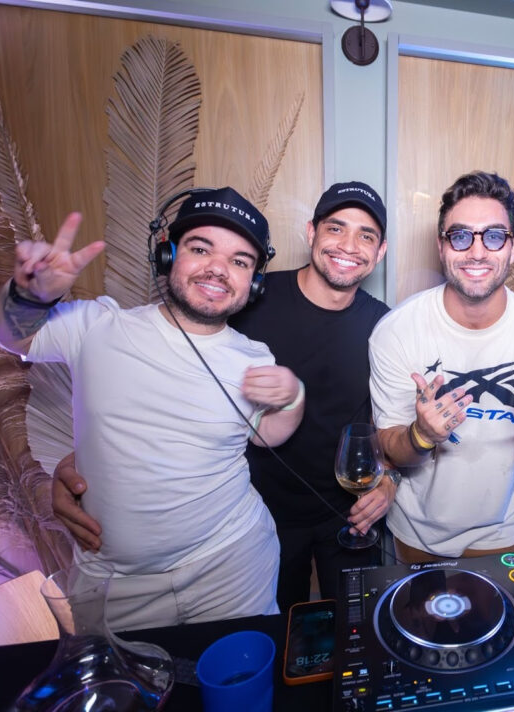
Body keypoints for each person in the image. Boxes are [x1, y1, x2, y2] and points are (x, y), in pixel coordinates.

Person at [51, 182, 394, 613]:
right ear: (311, 232)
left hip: (344, 514)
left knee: (357, 628)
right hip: (257, 512)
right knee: (277, 639)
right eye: (336, 228)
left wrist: (389, 480)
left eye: (366, 235)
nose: (348, 245)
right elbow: (165, 388)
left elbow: (388, 419)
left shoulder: (386, 326)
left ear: (380, 252)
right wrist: (82, 463)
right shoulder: (239, 297)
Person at [0, 187, 304, 630]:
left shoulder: (254, 356)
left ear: (255, 281)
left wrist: (293, 395)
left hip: (232, 565)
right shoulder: (97, 326)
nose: (218, 268)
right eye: (200, 249)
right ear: (167, 255)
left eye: (240, 261)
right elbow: (6, 333)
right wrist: (29, 296)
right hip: (118, 586)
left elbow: (269, 435)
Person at [369, 171, 514, 563]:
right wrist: (421, 436)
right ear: (441, 246)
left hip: (502, 531)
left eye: (494, 236)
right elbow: (391, 447)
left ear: (512, 248)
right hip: (416, 532)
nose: (477, 252)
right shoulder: (396, 331)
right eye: (461, 236)